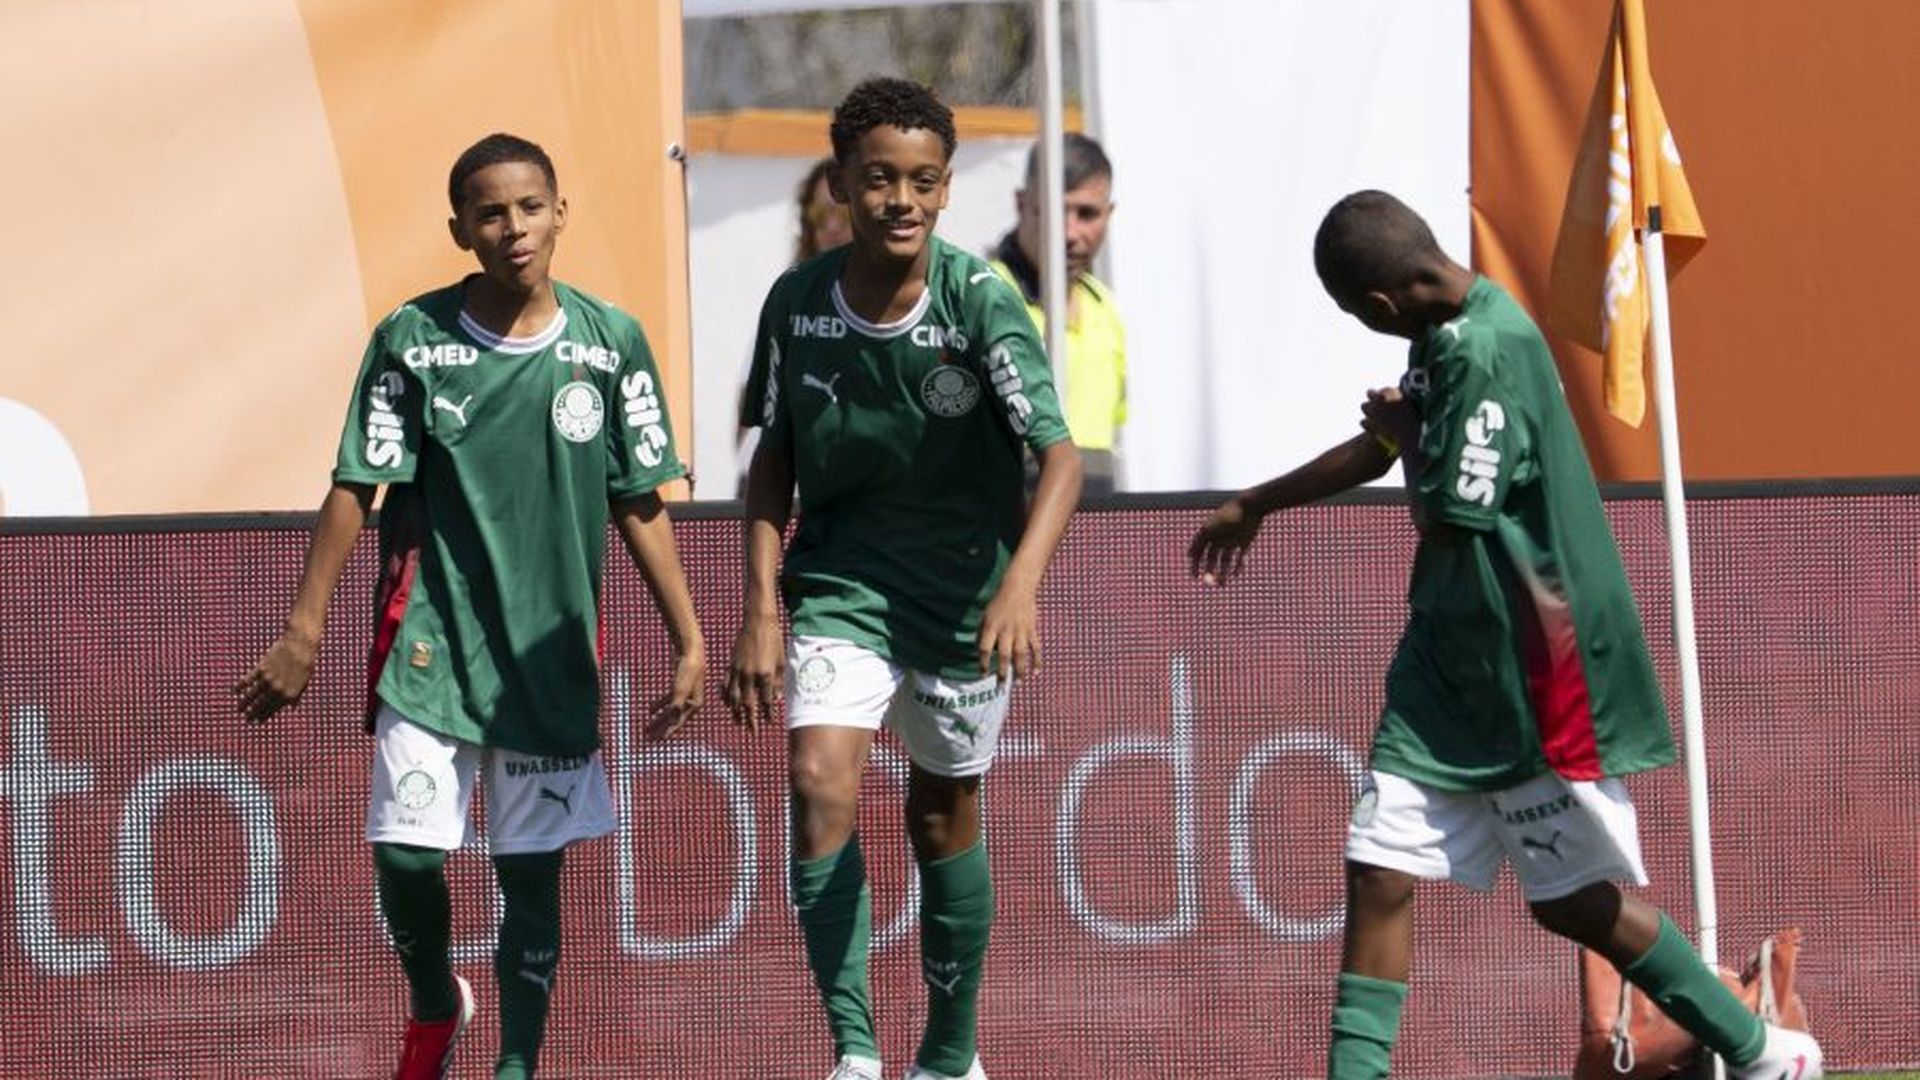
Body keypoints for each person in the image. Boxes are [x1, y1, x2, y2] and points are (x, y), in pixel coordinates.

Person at [1187, 190, 1822, 1080]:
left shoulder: (1487, 349)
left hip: (1532, 670)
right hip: (1444, 665)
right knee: (1377, 867)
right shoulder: (1441, 334)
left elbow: (1449, 515)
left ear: (1379, 302)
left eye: (1352, 313)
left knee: (1572, 906)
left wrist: (1407, 434)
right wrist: (1258, 502)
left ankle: (1761, 1050)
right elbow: (1386, 445)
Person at [233, 132, 704, 1080]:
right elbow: (356, 485)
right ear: (461, 231)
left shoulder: (610, 343)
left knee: (530, 876)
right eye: (490, 213)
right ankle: (435, 1001)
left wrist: (689, 638)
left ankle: (516, 1061)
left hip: (548, 657)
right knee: (407, 857)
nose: (513, 227)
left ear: (561, 212)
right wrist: (302, 627)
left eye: (529, 207)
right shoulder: (413, 339)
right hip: (431, 644)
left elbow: (639, 499)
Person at [727, 78, 1082, 1080]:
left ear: (947, 187)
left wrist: (1019, 586)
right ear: (841, 182)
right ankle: (854, 1052)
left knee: (941, 817)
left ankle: (951, 1054)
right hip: (841, 585)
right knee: (816, 779)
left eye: (923, 182)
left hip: (965, 596)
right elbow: (772, 459)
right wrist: (759, 605)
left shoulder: (980, 300)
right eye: (879, 178)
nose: (900, 200)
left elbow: (1057, 459)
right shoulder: (798, 303)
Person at [988, 132, 1125, 494]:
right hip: (1009, 517)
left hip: (1099, 516)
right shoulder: (983, 298)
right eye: (1054, 211)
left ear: (1109, 214)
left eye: (1087, 213)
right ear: (1022, 204)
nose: (1069, 232)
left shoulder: (1104, 307)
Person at [736, 156, 856, 496]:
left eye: (842, 213)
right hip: (785, 497)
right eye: (819, 215)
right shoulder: (789, 301)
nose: (831, 226)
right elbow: (749, 412)